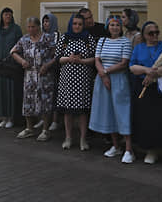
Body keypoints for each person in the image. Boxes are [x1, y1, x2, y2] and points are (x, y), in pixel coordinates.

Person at [129, 21, 162, 170]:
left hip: (161, 88)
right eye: (151, 33)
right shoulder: (139, 48)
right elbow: (132, 66)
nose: (154, 36)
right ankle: (151, 151)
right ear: (144, 35)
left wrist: (154, 74)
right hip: (144, 87)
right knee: (148, 120)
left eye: (157, 32)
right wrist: (147, 71)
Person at [90, 16, 134, 163]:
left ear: (121, 27)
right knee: (108, 112)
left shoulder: (125, 42)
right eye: (112, 25)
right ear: (108, 27)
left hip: (118, 80)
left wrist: (106, 72)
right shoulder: (102, 41)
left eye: (117, 25)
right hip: (102, 80)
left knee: (122, 112)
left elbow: (124, 63)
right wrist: (102, 75)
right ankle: (116, 146)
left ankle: (128, 149)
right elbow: (97, 60)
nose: (114, 27)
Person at [11, 16, 57, 141]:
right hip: (30, 75)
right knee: (28, 101)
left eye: (33, 27)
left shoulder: (47, 38)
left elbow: (56, 55)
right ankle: (29, 128)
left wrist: (47, 65)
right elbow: (13, 52)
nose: (31, 29)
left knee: (45, 101)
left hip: (44, 75)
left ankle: (45, 130)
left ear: (38, 27)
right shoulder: (24, 39)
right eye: (29, 27)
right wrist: (22, 61)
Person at [55, 13, 97, 151]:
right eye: (75, 24)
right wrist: (69, 59)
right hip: (67, 80)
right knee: (68, 111)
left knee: (82, 112)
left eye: (79, 24)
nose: (77, 26)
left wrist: (81, 61)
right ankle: (68, 138)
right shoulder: (65, 38)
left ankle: (83, 139)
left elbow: (94, 59)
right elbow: (58, 59)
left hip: (82, 81)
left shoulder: (88, 38)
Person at [0, 7, 23, 129]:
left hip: (12, 66)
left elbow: (20, 47)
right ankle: (3, 117)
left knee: (11, 92)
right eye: (5, 15)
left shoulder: (16, 29)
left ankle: (11, 118)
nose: (7, 17)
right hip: (0, 66)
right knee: (1, 92)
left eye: (9, 15)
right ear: (1, 16)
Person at [41, 13, 61, 131]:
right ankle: (44, 120)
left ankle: (55, 120)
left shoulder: (56, 35)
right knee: (43, 95)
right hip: (42, 68)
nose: (45, 24)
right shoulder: (41, 35)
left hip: (53, 68)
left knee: (54, 95)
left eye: (48, 21)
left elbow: (55, 51)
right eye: (44, 22)